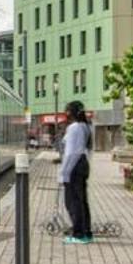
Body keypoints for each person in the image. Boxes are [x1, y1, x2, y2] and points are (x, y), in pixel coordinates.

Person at [58, 100, 93, 243]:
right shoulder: (86, 126)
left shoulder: (73, 128)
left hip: (74, 166)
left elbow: (70, 153)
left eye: (67, 111)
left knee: (72, 201)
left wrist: (63, 173)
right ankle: (86, 232)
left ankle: (78, 234)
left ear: (70, 113)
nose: (66, 114)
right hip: (83, 164)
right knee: (82, 200)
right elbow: (86, 150)